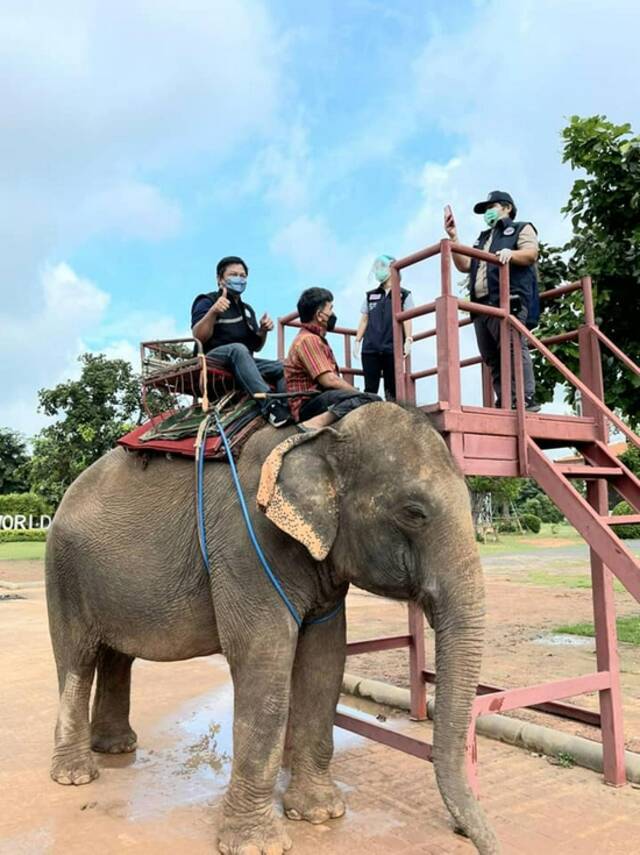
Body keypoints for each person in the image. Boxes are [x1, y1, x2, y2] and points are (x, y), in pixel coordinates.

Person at [444, 191, 541, 412]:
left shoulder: (521, 228)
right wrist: (454, 238)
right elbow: (465, 265)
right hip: (481, 305)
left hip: (508, 300)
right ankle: (505, 400)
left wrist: (511, 253)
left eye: (492, 206)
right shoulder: (483, 238)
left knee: (513, 347)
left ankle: (525, 398)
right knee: (491, 357)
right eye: (486, 209)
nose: (488, 212)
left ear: (507, 207)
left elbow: (531, 253)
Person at [191, 256, 290, 427]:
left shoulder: (247, 310)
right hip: (212, 360)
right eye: (234, 275)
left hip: (242, 362)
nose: (239, 279)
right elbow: (198, 336)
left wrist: (263, 331)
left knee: (284, 366)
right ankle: (269, 405)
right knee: (237, 349)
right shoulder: (207, 301)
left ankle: (285, 405)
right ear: (220, 279)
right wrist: (213, 312)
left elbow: (256, 346)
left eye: (243, 276)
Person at [285, 287, 381, 430]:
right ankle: (313, 424)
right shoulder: (308, 340)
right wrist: (356, 392)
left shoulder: (315, 339)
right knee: (371, 399)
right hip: (308, 405)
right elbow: (329, 380)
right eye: (330, 309)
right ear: (319, 315)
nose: (332, 314)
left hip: (320, 398)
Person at [353, 254, 414, 400]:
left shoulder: (404, 294)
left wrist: (409, 339)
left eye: (382, 266)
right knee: (370, 389)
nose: (378, 270)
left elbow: (407, 318)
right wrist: (357, 340)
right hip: (370, 348)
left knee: (391, 390)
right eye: (377, 267)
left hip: (392, 348)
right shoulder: (371, 295)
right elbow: (364, 319)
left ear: (392, 268)